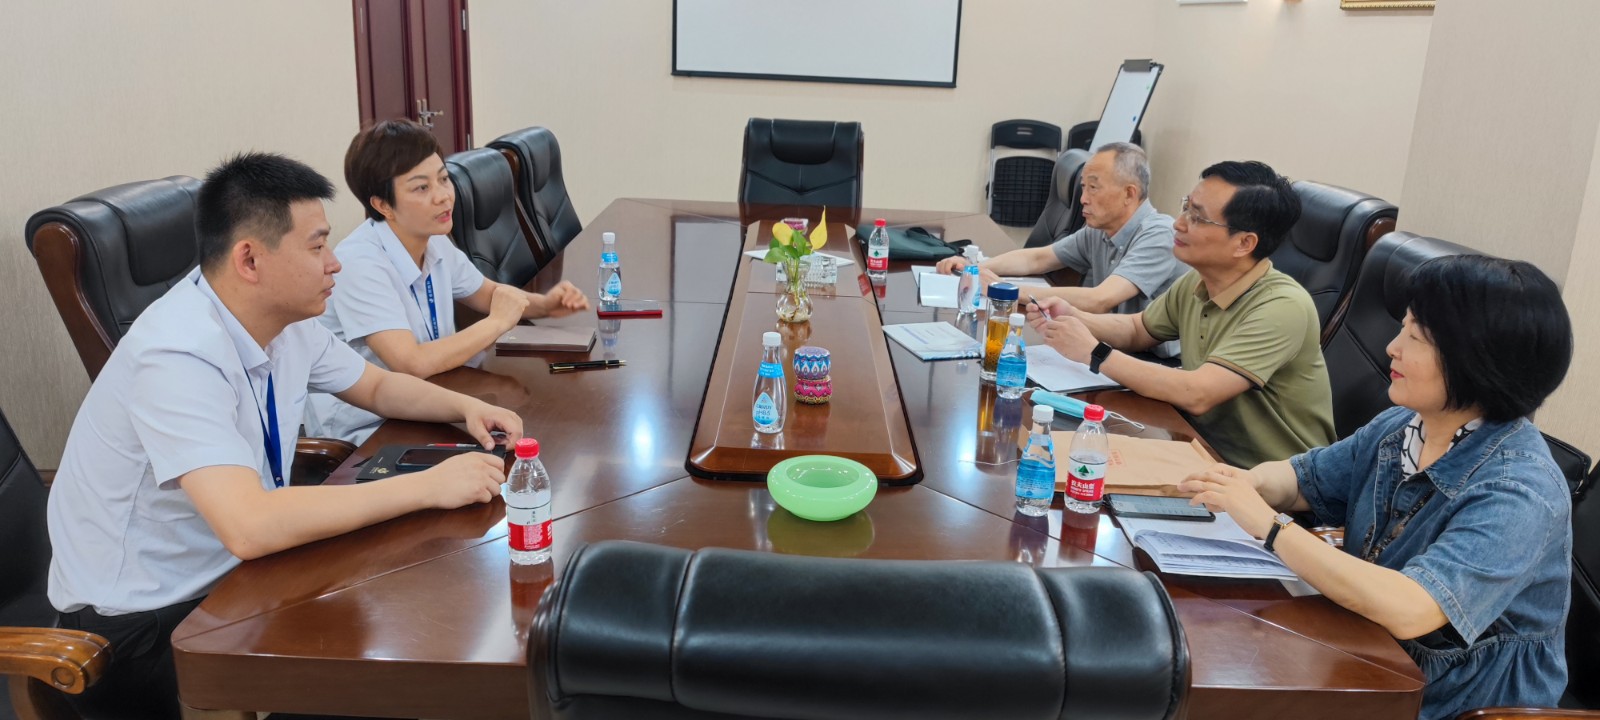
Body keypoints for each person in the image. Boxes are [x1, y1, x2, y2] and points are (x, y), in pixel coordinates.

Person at [46, 153, 523, 719]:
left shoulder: (279, 317)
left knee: (412, 617)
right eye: (317, 246)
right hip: (145, 623)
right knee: (388, 677)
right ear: (250, 259)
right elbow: (249, 527)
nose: (335, 262)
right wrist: (430, 486)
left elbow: (375, 386)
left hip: (236, 574)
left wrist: (466, 407)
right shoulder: (176, 354)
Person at [1178, 255, 1574, 720]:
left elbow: (1412, 608)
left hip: (1446, 701)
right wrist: (1245, 482)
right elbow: (1304, 479)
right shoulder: (1404, 425)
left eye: (1416, 337)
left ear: (1479, 360)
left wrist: (1271, 527)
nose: (1392, 348)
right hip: (1365, 653)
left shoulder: (1518, 491)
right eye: (1403, 328)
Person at [1028, 160, 1334, 467]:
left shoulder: (1282, 307)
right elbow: (1138, 329)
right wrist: (1076, 316)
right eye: (1186, 207)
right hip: (1198, 443)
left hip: (1268, 475)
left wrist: (1094, 353)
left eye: (1197, 217)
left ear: (1244, 243)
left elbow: (1197, 393)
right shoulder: (1198, 281)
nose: (1179, 223)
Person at [307, 119, 589, 443]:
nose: (443, 196)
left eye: (443, 179)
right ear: (383, 205)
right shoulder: (359, 263)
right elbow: (411, 363)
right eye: (421, 188)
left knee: (538, 426)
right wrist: (497, 323)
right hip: (369, 427)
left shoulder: (432, 238)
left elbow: (488, 294)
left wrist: (545, 305)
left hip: (434, 398)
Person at [936, 142, 1186, 316]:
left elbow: (1100, 299)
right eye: (1083, 187)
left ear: (1129, 194)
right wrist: (974, 269)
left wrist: (1003, 289)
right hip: (1117, 346)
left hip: (1156, 363)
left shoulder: (1159, 235)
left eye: (1093, 188)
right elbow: (1038, 258)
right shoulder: (1100, 229)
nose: (1083, 199)